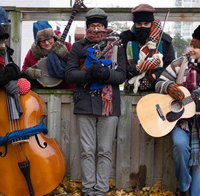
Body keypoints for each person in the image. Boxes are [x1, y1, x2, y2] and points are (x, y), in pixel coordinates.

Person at [65, 8, 126, 196]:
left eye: (99, 25)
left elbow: (121, 75)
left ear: (105, 26)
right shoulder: (78, 47)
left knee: (105, 150)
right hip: (84, 104)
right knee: (87, 150)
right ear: (87, 27)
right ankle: (88, 189)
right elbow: (69, 74)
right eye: (92, 25)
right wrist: (88, 74)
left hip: (109, 105)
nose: (96, 28)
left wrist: (106, 74)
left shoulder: (117, 46)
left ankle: (101, 190)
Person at [155, 25, 200, 196]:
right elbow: (159, 82)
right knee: (180, 146)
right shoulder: (180, 63)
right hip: (179, 121)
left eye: (196, 46)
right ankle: (184, 187)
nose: (191, 49)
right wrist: (168, 86)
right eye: (191, 45)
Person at [119, 3, 175, 93]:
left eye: (146, 23)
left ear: (151, 23)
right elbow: (121, 65)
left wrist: (154, 76)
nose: (143, 27)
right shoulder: (127, 40)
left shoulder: (164, 40)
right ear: (135, 23)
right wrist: (134, 70)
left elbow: (170, 64)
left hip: (158, 89)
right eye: (139, 24)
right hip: (132, 88)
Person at [21, 20, 75, 89]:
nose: (47, 43)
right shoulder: (32, 52)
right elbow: (24, 71)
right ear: (37, 42)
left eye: (49, 38)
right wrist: (30, 73)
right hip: (41, 92)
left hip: (66, 91)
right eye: (42, 41)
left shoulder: (66, 46)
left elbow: (78, 66)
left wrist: (66, 56)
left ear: (53, 37)